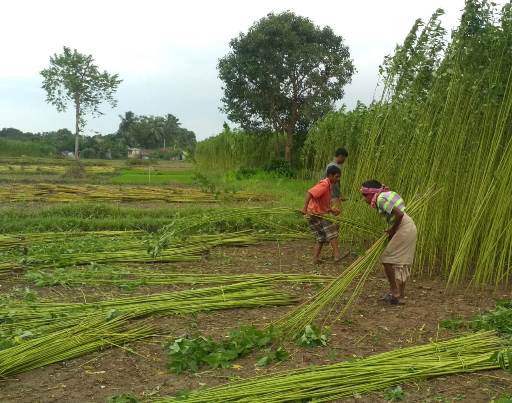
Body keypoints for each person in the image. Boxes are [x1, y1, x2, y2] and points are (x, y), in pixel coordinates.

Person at [359, 180, 417, 305]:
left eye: (365, 195)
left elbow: (399, 214)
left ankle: (394, 290)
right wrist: (392, 231)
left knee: (387, 259)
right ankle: (399, 296)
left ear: (372, 193)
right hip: (407, 227)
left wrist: (392, 230)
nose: (364, 199)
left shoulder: (380, 199)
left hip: (404, 228)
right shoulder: (383, 196)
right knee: (399, 262)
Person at [302, 165, 342, 264]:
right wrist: (304, 208)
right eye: (336, 177)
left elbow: (321, 203)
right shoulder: (324, 184)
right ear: (330, 176)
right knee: (332, 232)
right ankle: (337, 255)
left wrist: (332, 210)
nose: (338, 179)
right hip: (318, 215)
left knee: (321, 237)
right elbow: (310, 193)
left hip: (314, 214)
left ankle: (315, 259)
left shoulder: (328, 186)